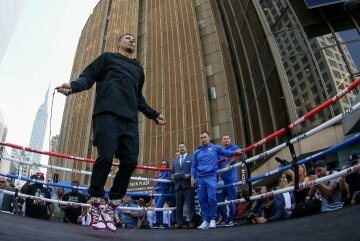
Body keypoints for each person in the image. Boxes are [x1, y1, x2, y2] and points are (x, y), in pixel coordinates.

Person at [56, 33, 166, 231]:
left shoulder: (138, 68)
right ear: (118, 43)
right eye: (127, 38)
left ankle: (113, 203)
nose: (132, 40)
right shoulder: (107, 58)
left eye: (133, 39)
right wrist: (73, 86)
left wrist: (153, 114)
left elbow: (138, 97)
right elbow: (88, 77)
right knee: (106, 157)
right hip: (107, 115)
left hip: (129, 120)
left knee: (131, 161)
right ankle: (97, 203)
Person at [191, 131, 242, 229]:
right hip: (200, 178)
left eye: (205, 137)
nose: (203, 139)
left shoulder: (216, 147)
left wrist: (235, 152)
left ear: (209, 138)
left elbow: (227, 153)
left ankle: (213, 219)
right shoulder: (197, 151)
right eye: (201, 138)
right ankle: (205, 220)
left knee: (212, 198)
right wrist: (192, 179)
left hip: (211, 177)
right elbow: (193, 165)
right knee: (202, 200)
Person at [217, 134, 241, 226]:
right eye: (224, 139)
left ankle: (231, 219)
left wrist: (230, 162)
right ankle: (225, 219)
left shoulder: (234, 147)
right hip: (222, 181)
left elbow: (239, 154)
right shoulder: (220, 152)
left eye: (227, 138)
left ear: (230, 140)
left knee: (232, 201)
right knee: (218, 201)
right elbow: (218, 165)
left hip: (232, 179)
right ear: (222, 141)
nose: (226, 140)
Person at [172, 143, 196, 229]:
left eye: (183, 147)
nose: (181, 148)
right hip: (178, 186)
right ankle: (179, 222)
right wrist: (172, 176)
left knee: (191, 205)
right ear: (178, 149)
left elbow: (195, 169)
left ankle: (192, 222)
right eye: (180, 147)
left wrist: (189, 176)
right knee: (178, 206)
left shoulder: (192, 157)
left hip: (188, 185)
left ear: (186, 148)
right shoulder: (175, 161)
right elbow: (172, 172)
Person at [154, 160, 173, 228]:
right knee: (157, 207)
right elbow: (155, 182)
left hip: (164, 191)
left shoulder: (168, 171)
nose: (163, 165)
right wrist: (156, 180)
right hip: (157, 190)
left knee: (158, 206)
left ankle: (160, 223)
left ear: (167, 165)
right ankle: (158, 223)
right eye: (162, 164)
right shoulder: (159, 172)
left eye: (164, 164)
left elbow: (170, 179)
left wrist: (160, 179)